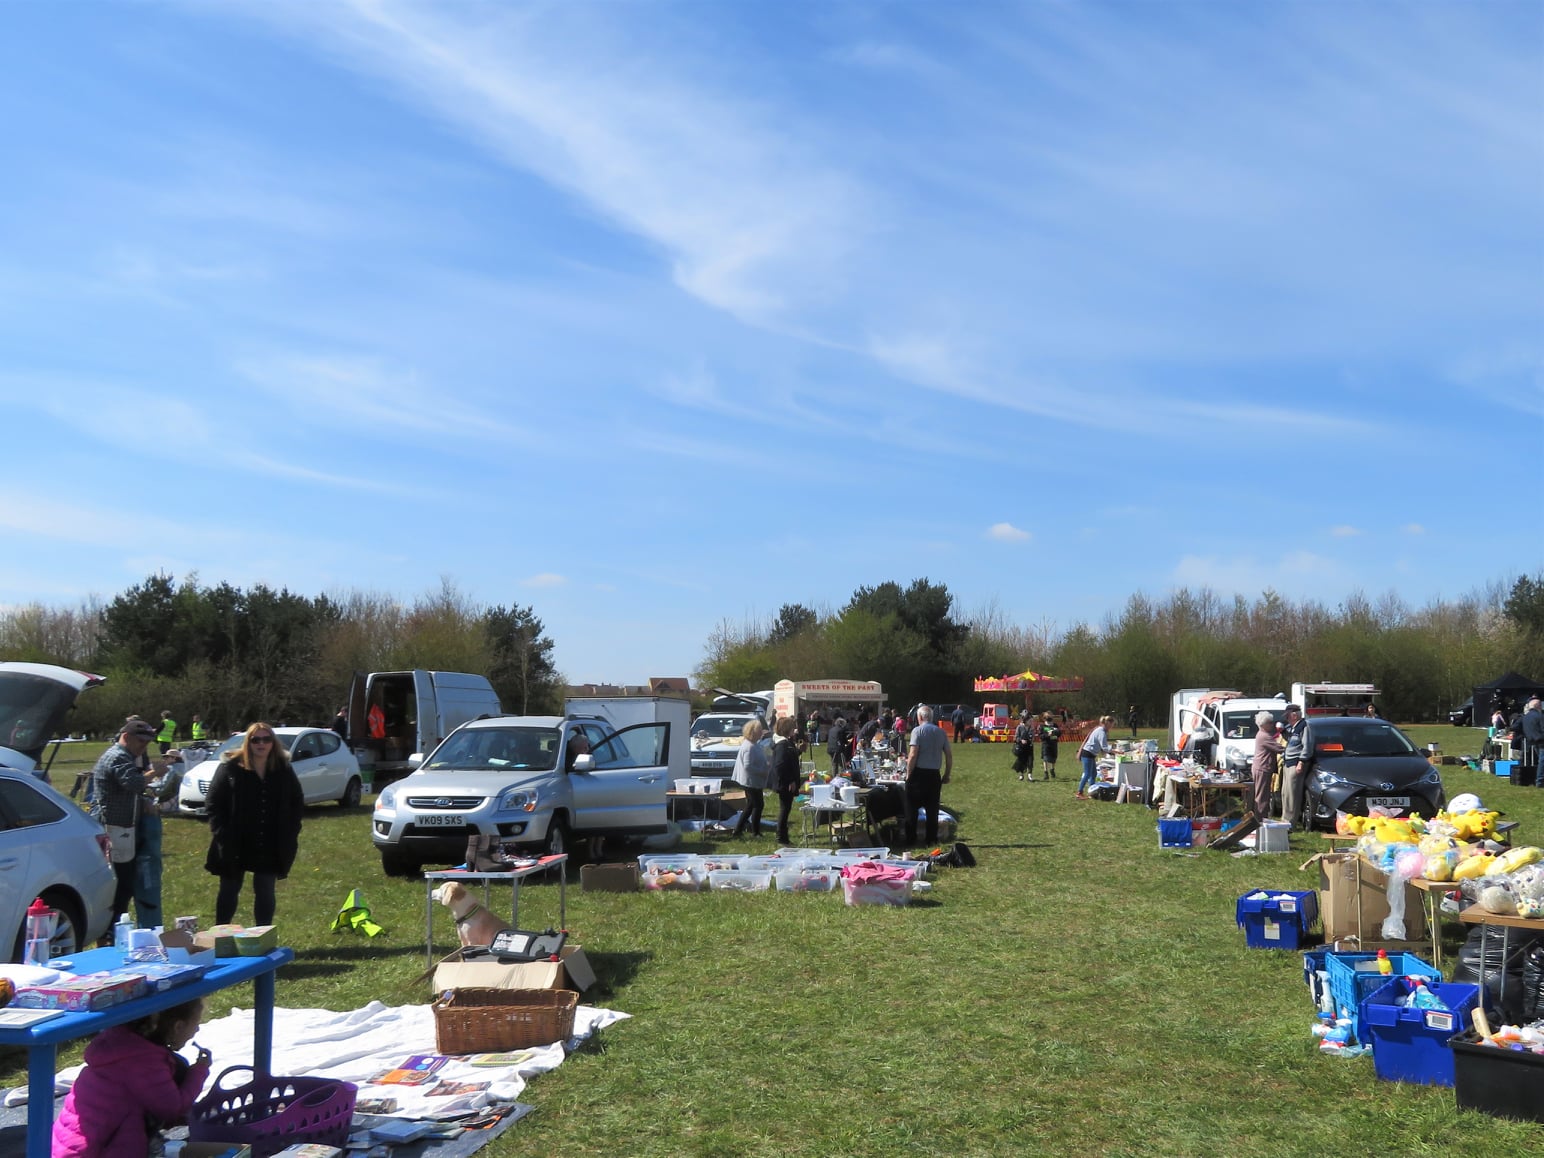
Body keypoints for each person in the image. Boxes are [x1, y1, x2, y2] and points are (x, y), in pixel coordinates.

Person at [51, 995, 212, 1158]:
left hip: (70, 1146)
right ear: (178, 1027)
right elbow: (173, 1108)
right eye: (196, 1025)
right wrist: (199, 1071)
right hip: (98, 1151)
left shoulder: (121, 1045)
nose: (197, 1030)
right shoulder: (145, 1062)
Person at [203, 722, 305, 926]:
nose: (261, 744)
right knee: (230, 888)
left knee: (265, 889)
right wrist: (221, 832)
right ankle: (222, 935)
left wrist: (291, 830)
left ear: (273, 743)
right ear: (247, 742)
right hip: (235, 839)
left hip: (269, 840)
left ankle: (263, 937)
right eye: (255, 739)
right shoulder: (231, 767)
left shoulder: (283, 768)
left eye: (266, 739)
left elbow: (297, 801)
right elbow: (213, 802)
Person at [90, 719, 159, 928]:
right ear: (126, 737)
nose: (143, 747)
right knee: (121, 883)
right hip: (113, 827)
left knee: (125, 881)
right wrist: (156, 772)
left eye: (147, 743)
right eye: (140, 741)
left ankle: (115, 926)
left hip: (121, 827)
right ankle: (111, 929)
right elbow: (133, 782)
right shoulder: (118, 756)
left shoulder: (126, 755)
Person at [904, 705, 953, 847]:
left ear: (919, 717)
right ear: (931, 718)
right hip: (934, 774)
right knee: (932, 809)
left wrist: (908, 774)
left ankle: (911, 839)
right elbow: (949, 756)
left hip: (919, 773)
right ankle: (931, 839)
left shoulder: (917, 731)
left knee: (911, 808)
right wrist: (947, 774)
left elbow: (913, 755)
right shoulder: (941, 732)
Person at [730, 719, 769, 838]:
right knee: (758, 805)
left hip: (752, 780)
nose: (761, 733)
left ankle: (738, 830)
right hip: (750, 781)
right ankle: (755, 832)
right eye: (759, 731)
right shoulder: (749, 747)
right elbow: (748, 766)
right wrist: (763, 771)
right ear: (753, 732)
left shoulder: (753, 744)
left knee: (751, 805)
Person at [769, 716, 802, 844]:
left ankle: (783, 835)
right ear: (787, 729)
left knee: (786, 808)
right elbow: (780, 765)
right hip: (785, 783)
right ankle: (781, 836)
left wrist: (798, 751)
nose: (795, 730)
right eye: (793, 727)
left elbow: (789, 758)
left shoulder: (786, 743)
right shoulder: (782, 744)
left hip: (787, 781)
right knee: (784, 809)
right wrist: (790, 781)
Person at [1251, 709, 1284, 820]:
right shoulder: (1264, 736)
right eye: (1270, 722)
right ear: (1263, 724)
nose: (1272, 724)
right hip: (1262, 768)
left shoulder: (1263, 734)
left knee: (1263, 795)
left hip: (1262, 768)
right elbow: (1278, 748)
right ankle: (1260, 819)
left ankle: (1261, 818)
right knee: (1262, 796)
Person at [1279, 704, 1308, 829]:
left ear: (1294, 715)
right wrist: (1283, 732)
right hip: (1287, 762)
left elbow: (1307, 746)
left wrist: (1301, 762)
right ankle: (1284, 818)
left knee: (1292, 794)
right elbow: (1290, 741)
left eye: (1288, 715)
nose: (1287, 718)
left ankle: (1290, 822)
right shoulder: (1292, 727)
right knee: (1285, 792)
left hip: (1296, 763)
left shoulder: (1304, 727)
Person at [1075, 715, 1112, 799]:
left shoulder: (1101, 730)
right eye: (1111, 725)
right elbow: (1104, 747)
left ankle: (1092, 791)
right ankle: (1079, 792)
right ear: (1108, 723)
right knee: (1087, 774)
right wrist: (1115, 751)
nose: (1112, 727)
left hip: (1091, 755)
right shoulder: (1101, 731)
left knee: (1094, 773)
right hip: (1087, 754)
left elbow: (1102, 745)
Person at [1522, 697, 1544, 788]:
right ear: (1538, 706)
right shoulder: (1540, 716)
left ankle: (1539, 780)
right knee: (1542, 762)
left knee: (1540, 761)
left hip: (1532, 741)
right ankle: (1540, 781)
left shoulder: (1525, 717)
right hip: (1542, 741)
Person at [1012, 711, 1035, 782]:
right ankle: (1021, 774)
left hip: (1029, 747)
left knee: (1030, 761)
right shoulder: (1019, 727)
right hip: (1022, 747)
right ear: (1025, 720)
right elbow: (1015, 738)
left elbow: (1033, 737)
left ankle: (1030, 775)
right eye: (1029, 720)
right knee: (1022, 761)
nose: (1031, 721)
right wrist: (1021, 740)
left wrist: (1031, 739)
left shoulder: (1031, 728)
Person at [1039, 711, 1061, 780]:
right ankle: (1046, 773)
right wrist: (1047, 735)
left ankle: (1052, 769)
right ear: (1044, 718)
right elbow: (1041, 736)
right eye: (1047, 716)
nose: (1049, 718)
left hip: (1054, 744)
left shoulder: (1055, 725)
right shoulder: (1042, 726)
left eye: (1050, 716)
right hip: (1046, 744)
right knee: (1045, 758)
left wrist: (1054, 732)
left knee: (1053, 758)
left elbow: (1059, 733)